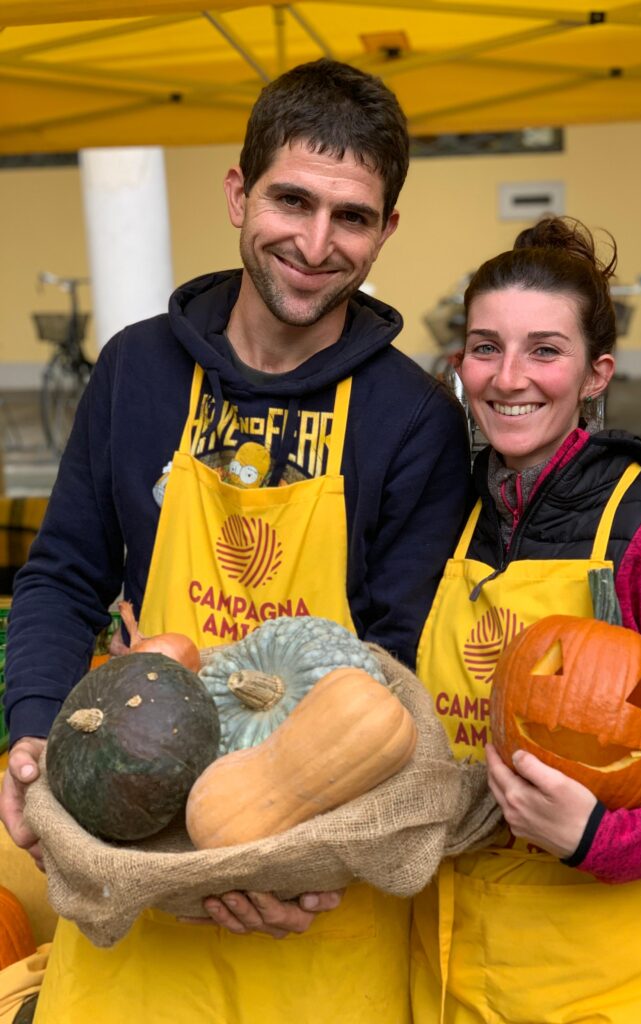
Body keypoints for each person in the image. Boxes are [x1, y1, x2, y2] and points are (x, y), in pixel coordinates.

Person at [0, 59, 472, 1023]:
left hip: (315, 888)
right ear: (236, 193)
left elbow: (399, 660)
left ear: (386, 230)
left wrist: (279, 846)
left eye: (351, 216)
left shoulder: (413, 414)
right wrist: (35, 724)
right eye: (290, 199)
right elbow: (62, 573)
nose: (314, 241)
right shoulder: (137, 367)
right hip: (140, 852)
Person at [411, 216, 641, 1023]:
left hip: (606, 982)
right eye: (484, 347)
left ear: (595, 373)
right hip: (443, 968)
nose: (509, 378)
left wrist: (602, 836)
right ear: (458, 364)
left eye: (545, 350)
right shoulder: (444, 515)